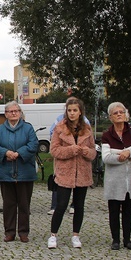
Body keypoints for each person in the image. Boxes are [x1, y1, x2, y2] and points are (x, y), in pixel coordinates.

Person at [48, 97, 96, 250]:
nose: (72, 113)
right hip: (65, 172)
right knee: (61, 205)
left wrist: (87, 152)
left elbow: (94, 151)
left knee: (79, 205)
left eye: (75, 110)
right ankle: (53, 235)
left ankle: (76, 235)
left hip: (82, 171)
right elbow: (54, 150)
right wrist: (70, 150)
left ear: (80, 112)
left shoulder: (87, 129)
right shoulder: (59, 128)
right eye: (69, 110)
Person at [101, 102, 131, 250]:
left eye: (121, 112)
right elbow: (106, 157)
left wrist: (130, 153)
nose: (119, 114)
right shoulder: (107, 135)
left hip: (130, 179)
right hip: (114, 179)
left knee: (128, 210)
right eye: (116, 113)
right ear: (110, 117)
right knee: (114, 211)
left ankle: (127, 239)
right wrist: (120, 157)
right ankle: (116, 239)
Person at [0, 101, 39, 243]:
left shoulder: (28, 128)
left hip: (25, 171)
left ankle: (23, 232)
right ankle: (9, 232)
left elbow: (33, 144)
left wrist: (19, 153)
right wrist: (6, 153)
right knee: (9, 204)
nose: (13, 113)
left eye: (16, 111)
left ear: (20, 112)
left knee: (24, 204)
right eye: (10, 111)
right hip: (6, 172)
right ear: (6, 114)